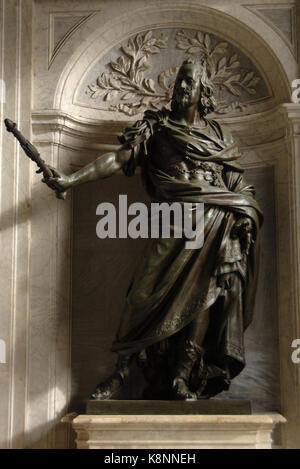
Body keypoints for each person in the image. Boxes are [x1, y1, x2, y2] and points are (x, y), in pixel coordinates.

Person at [44, 59, 263, 400]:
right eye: (179, 81)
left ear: (203, 89)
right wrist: (70, 180)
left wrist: (246, 215)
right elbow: (117, 159)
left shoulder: (220, 136)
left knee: (205, 298)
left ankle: (182, 376)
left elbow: (238, 185)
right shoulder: (156, 129)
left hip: (215, 223)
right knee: (141, 295)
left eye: (189, 81)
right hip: (170, 222)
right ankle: (121, 372)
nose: (181, 87)